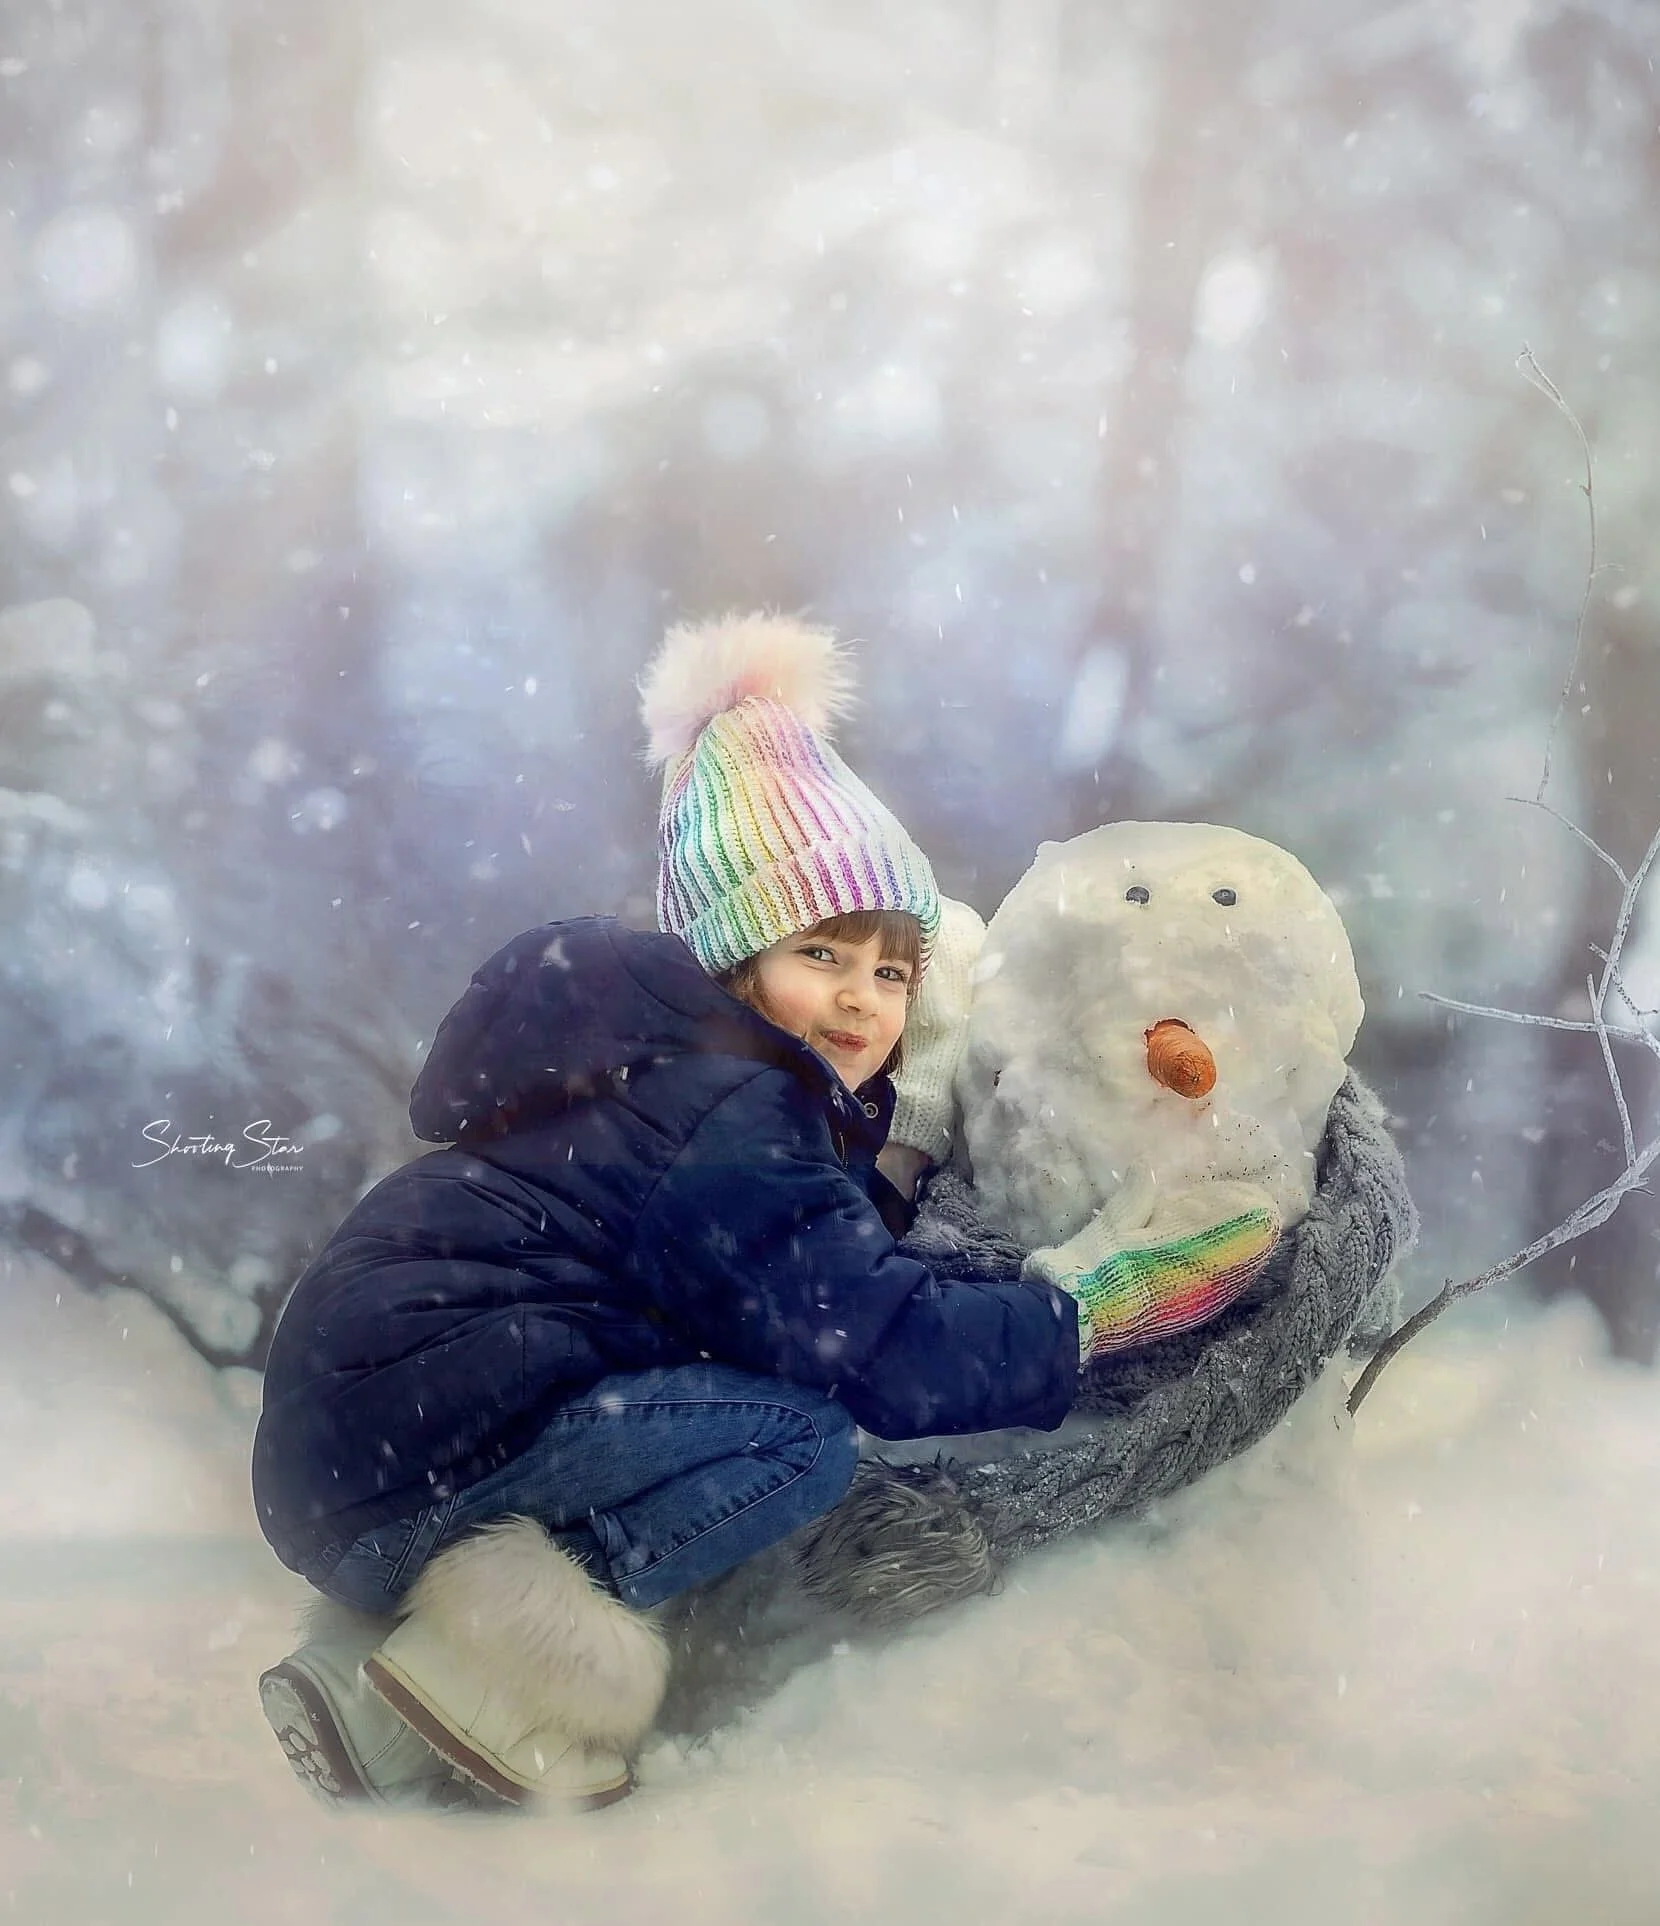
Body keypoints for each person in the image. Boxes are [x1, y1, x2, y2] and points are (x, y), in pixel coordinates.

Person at [251, 614, 1277, 1814]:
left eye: (892, 972)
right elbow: (870, 1346)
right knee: (796, 1438)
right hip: (414, 1471)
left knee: (717, 1403)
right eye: (820, 955)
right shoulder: (727, 1107)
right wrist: (1080, 1317)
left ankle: (360, 1670)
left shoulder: (639, 1072)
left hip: (346, 1475)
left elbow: (786, 1272)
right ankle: (470, 1675)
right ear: (735, 958)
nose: (862, 1000)